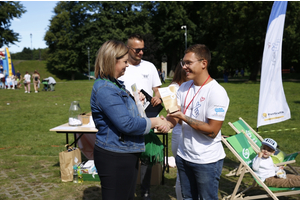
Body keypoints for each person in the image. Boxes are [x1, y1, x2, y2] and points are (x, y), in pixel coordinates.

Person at [91, 40, 168, 200]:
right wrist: (155, 122)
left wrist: (135, 100)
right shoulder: (105, 89)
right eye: (124, 62)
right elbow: (127, 124)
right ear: (112, 60)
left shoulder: (115, 85)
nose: (127, 65)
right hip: (114, 155)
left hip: (124, 152)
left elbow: (126, 114)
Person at [161, 44, 230, 200]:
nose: (184, 67)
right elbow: (174, 117)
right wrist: (166, 123)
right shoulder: (184, 87)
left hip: (207, 160)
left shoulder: (217, 92)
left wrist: (183, 117)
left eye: (188, 63)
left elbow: (212, 131)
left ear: (203, 63)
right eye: (183, 63)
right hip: (184, 156)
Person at [118, 34, 162, 200]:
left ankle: (145, 192)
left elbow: (156, 89)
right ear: (128, 49)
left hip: (147, 116)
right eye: (137, 50)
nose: (141, 52)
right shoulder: (121, 66)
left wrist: (157, 97)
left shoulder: (149, 66)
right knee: (128, 156)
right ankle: (127, 192)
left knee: (146, 156)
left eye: (143, 49)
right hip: (126, 117)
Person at [169, 63, 187, 200]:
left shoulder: (195, 87)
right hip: (180, 133)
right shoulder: (173, 88)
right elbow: (174, 115)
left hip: (193, 134)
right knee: (182, 174)